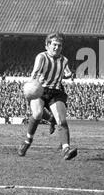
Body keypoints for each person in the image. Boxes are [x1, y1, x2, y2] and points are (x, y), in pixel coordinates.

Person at [18, 32, 77, 160]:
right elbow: (35, 74)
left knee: (61, 120)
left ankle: (66, 149)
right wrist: (31, 88)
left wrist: (70, 75)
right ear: (47, 45)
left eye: (60, 45)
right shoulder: (41, 57)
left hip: (56, 91)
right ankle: (27, 141)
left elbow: (66, 73)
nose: (57, 48)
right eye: (54, 45)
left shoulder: (64, 60)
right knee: (38, 114)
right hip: (40, 90)